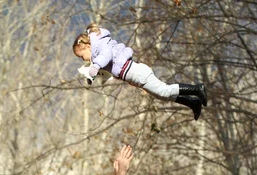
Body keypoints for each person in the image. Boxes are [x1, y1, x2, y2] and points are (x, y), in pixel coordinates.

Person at [73, 23, 207, 121]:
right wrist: (92, 76)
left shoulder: (102, 46)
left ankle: (197, 89)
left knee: (164, 91)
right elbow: (105, 70)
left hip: (137, 72)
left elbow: (107, 55)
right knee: (162, 95)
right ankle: (192, 102)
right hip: (135, 77)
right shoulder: (98, 56)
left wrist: (95, 66)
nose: (82, 59)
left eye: (81, 55)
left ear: (87, 46)